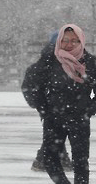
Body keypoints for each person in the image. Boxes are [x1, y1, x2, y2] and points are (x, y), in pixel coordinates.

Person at [22, 24, 96, 184]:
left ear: (81, 41)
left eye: (74, 41)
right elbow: (33, 86)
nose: (69, 44)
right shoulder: (49, 60)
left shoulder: (91, 62)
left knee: (80, 162)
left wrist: (87, 111)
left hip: (79, 119)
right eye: (65, 40)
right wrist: (44, 109)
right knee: (49, 159)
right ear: (59, 41)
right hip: (54, 118)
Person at [22, 31, 72, 172]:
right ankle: (46, 160)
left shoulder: (47, 61)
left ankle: (56, 159)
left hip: (53, 104)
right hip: (55, 104)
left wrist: (40, 104)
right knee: (55, 133)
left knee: (55, 133)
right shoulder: (54, 62)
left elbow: (30, 84)